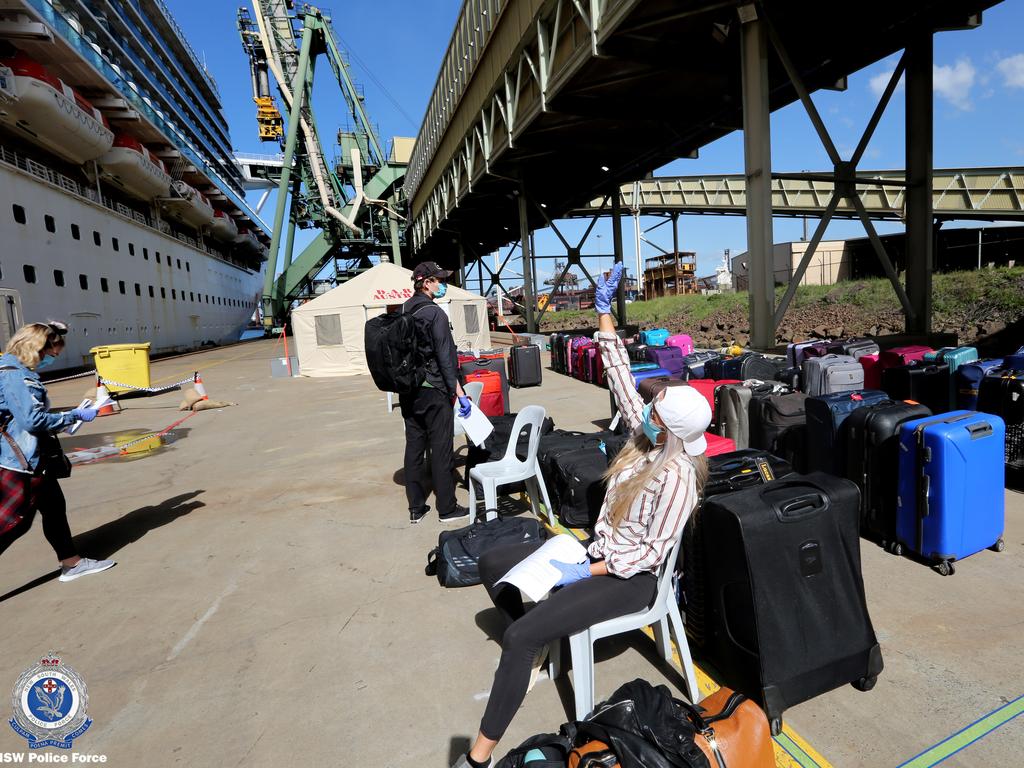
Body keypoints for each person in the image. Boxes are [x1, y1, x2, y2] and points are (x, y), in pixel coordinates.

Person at [451, 263, 710, 768]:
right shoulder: (651, 437)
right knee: (492, 565)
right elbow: (619, 377)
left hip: (629, 577)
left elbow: (647, 555)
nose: (644, 413)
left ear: (671, 429)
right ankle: (551, 634)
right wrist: (603, 311)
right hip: (594, 552)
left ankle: (479, 757)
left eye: (653, 413)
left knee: (521, 635)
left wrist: (577, 572)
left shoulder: (678, 477)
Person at [0, 321, 115, 581]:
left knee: (53, 508)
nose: (50, 360)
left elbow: (23, 417)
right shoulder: (15, 374)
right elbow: (31, 421)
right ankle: (71, 563)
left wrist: (66, 418)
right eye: (49, 355)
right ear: (35, 347)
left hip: (30, 456)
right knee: (13, 523)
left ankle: (71, 563)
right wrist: (72, 415)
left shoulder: (10, 367)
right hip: (22, 461)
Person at [401, 261, 472, 525]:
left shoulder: (406, 309)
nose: (443, 284)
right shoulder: (435, 314)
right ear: (426, 282)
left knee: (414, 448)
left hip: (409, 390)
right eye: (439, 279)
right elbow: (445, 358)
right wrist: (459, 392)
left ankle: (416, 508)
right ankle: (447, 508)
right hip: (433, 390)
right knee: (441, 449)